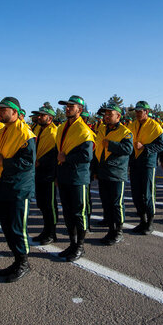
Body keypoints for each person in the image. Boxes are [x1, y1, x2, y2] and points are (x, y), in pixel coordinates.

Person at [0, 97, 36, 282]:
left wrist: (4, 162)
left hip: (18, 188)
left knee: (17, 228)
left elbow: (27, 162)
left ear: (15, 113)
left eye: (4, 110)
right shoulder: (2, 132)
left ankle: (23, 263)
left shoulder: (26, 133)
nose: (0, 113)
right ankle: (16, 260)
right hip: (4, 185)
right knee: (7, 227)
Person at [55, 95, 95, 261]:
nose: (67, 108)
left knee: (79, 213)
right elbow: (58, 152)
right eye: (66, 106)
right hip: (64, 176)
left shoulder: (84, 130)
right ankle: (72, 244)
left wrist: (67, 159)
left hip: (78, 177)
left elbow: (87, 155)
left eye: (71, 106)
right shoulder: (62, 127)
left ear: (80, 110)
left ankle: (80, 247)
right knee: (68, 213)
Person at [94, 103, 133, 244]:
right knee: (106, 202)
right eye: (106, 114)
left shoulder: (125, 132)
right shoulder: (102, 129)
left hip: (116, 173)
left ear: (118, 116)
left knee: (117, 204)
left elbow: (128, 149)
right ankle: (110, 226)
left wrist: (110, 144)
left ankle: (118, 232)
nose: (107, 117)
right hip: (103, 172)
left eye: (110, 114)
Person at [128, 101, 163, 235]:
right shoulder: (132, 125)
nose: (137, 114)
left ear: (147, 112)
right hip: (134, 163)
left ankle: (150, 222)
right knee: (136, 194)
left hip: (147, 163)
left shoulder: (155, 126)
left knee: (148, 194)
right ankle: (142, 221)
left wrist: (145, 147)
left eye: (140, 111)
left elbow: (161, 145)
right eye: (136, 111)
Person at [31, 105, 59, 245]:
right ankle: (45, 230)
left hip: (48, 173)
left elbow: (54, 154)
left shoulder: (54, 132)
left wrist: (41, 162)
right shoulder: (36, 128)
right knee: (41, 203)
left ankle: (52, 232)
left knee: (50, 205)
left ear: (50, 118)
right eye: (39, 115)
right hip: (37, 172)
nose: (39, 117)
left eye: (42, 115)